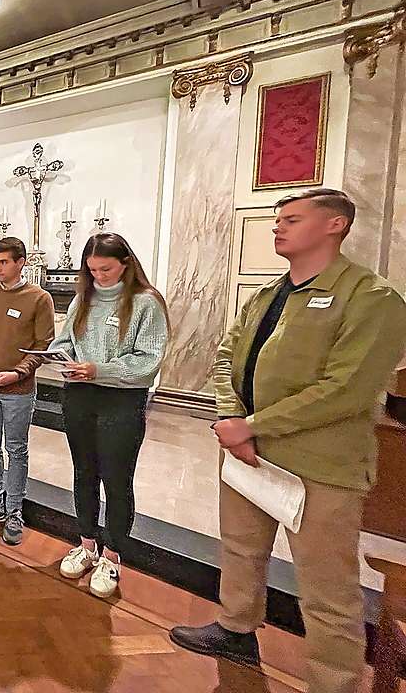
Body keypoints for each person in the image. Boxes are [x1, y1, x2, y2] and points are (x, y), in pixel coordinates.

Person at [171, 189, 406, 693]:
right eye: (278, 219)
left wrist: (253, 426)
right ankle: (236, 629)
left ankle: (335, 681)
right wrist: (233, 419)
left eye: (292, 219)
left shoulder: (372, 298)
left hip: (319, 466)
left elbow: (346, 390)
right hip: (247, 453)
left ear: (335, 225)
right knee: (239, 550)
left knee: (326, 587)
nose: (277, 228)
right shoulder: (268, 293)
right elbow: (226, 353)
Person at [49, 232, 169, 599]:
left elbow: (148, 361)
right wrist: (62, 358)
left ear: (126, 264)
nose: (99, 276)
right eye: (92, 269)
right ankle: (86, 544)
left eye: (106, 269)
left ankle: (112, 555)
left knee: (116, 478)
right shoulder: (82, 299)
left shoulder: (145, 303)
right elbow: (63, 341)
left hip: (121, 400)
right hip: (81, 396)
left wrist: (98, 369)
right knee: (84, 472)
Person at [0, 238, 55, 545]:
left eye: (3, 262)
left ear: (21, 262)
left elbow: (43, 345)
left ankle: (14, 509)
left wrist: (17, 372)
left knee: (16, 450)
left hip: (17, 389)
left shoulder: (39, 298)